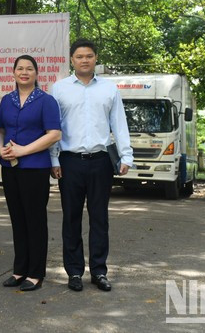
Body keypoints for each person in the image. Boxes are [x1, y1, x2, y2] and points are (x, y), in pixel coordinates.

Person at [50, 38, 133, 293]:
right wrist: (54, 159)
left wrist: (126, 156)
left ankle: (99, 271)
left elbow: (119, 123)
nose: (84, 60)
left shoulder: (108, 89)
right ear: (71, 60)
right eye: (79, 56)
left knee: (100, 219)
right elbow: (54, 128)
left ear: (96, 58)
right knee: (71, 219)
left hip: (100, 162)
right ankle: (74, 272)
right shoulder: (59, 89)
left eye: (89, 56)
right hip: (69, 162)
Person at [0, 55, 61, 292]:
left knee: (35, 220)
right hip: (10, 168)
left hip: (35, 168)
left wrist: (23, 150)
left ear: (36, 73)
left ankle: (35, 273)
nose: (24, 72)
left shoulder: (46, 101)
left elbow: (54, 134)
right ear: (13, 73)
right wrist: (1, 146)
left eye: (29, 68)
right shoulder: (7, 100)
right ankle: (19, 269)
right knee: (17, 219)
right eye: (20, 68)